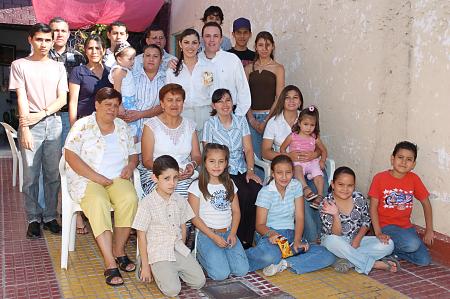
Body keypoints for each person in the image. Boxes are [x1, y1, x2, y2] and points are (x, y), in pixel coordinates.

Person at [64, 87, 138, 286]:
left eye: (115, 105)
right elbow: (70, 155)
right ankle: (109, 262)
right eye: (108, 105)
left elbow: (133, 154)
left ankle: (119, 250)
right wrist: (96, 177)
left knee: (130, 199)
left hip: (117, 178)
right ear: (97, 105)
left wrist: (131, 166)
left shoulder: (122, 126)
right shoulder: (83, 125)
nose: (112, 109)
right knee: (98, 202)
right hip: (88, 179)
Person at [9, 23, 68, 239]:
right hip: (30, 124)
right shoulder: (19, 65)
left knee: (53, 174)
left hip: (53, 122)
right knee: (31, 176)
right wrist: (24, 127)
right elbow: (21, 97)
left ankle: (51, 216)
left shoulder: (58, 67)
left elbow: (62, 98)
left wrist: (41, 114)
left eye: (47, 40)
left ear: (52, 41)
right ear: (30, 40)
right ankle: (33, 218)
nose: (43, 44)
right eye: (39, 39)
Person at [245, 155, 335, 276]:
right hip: (270, 235)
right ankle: (247, 257)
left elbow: (299, 217)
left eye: (288, 172)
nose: (284, 177)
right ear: (273, 174)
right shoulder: (266, 192)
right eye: (279, 173)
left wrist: (297, 240)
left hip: (291, 236)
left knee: (327, 255)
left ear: (293, 173)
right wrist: (272, 234)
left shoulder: (296, 186)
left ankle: (285, 263)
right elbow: (259, 225)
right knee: (270, 256)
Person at [133, 155, 205, 297]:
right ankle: (150, 265)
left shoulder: (179, 200)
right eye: (166, 178)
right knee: (172, 290)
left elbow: (183, 226)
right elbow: (141, 236)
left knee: (199, 282)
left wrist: (182, 248)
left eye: (175, 178)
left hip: (177, 248)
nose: (172, 183)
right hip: (158, 252)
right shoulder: (147, 203)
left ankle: (171, 270)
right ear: (155, 178)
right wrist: (146, 267)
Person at [261, 85, 324, 242]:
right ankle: (311, 236)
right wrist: (287, 156)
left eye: (295, 97)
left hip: (309, 164)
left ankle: (325, 233)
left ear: (301, 101)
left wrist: (314, 154)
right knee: (300, 191)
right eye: (287, 97)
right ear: (282, 100)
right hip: (288, 169)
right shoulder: (274, 122)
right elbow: (265, 152)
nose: (291, 100)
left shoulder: (306, 119)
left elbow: (318, 146)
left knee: (322, 180)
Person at [203, 89, 262, 249]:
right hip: (221, 171)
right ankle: (237, 236)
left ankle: (248, 238)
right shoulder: (210, 124)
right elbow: (207, 153)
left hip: (241, 168)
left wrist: (250, 170)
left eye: (228, 100)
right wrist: (219, 171)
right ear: (214, 105)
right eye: (220, 101)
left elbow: (249, 149)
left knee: (256, 190)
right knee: (240, 193)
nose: (225, 104)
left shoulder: (241, 121)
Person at [188, 143, 249, 280]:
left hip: (227, 232)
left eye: (221, 161)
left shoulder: (230, 184)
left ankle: (222, 256)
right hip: (207, 234)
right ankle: (199, 255)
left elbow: (236, 212)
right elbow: (194, 217)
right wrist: (214, 237)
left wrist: (233, 233)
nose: (216, 166)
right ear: (204, 162)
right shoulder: (196, 186)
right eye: (212, 161)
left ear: (226, 163)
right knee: (220, 274)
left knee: (241, 270)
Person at [368, 141, 434, 266]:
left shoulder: (414, 179)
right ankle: (381, 244)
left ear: (413, 164)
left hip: (405, 227)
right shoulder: (380, 178)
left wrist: (429, 229)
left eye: (409, 159)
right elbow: (373, 207)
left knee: (424, 260)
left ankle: (389, 252)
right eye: (400, 157)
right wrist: (378, 232)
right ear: (392, 159)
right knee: (412, 244)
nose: (404, 162)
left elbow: (426, 203)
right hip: (385, 226)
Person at [320, 166, 396, 274]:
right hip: (336, 243)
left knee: (389, 244)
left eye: (349, 185)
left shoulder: (358, 198)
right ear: (333, 184)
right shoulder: (326, 203)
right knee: (331, 241)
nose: (345, 189)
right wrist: (336, 214)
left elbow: (366, 220)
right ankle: (373, 264)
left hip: (355, 240)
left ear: (354, 186)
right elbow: (335, 234)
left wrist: (357, 239)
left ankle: (347, 261)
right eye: (340, 185)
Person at [139, 83, 201, 198]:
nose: (174, 104)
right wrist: (171, 172)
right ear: (162, 103)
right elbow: (147, 161)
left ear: (183, 103)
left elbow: (197, 156)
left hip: (184, 175)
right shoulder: (151, 125)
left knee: (199, 193)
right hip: (157, 174)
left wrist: (192, 165)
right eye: (169, 100)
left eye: (178, 100)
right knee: (175, 195)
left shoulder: (190, 125)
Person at [166, 28, 216, 135]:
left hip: (205, 117)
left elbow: (211, 91)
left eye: (194, 43)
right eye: (186, 42)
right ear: (180, 44)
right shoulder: (172, 70)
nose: (190, 47)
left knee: (205, 151)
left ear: (199, 45)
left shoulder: (207, 68)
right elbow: (168, 98)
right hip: (182, 117)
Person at [245, 31, 285, 160]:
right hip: (250, 117)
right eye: (261, 45)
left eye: (268, 45)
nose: (264, 48)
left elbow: (279, 97)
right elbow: (244, 95)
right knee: (253, 156)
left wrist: (266, 120)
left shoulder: (278, 68)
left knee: (268, 157)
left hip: (271, 116)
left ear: (273, 46)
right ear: (255, 47)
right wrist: (251, 119)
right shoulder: (248, 68)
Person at [199, 22, 251, 117]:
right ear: (202, 39)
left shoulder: (232, 60)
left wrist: (237, 117)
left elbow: (243, 91)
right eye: (207, 36)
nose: (211, 40)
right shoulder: (197, 61)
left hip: (231, 115)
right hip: (205, 117)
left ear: (221, 39)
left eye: (215, 36)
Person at [280, 105, 327, 209]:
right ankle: (306, 189)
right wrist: (288, 156)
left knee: (319, 175)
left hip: (312, 161)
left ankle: (320, 195)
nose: (308, 128)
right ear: (299, 123)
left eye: (312, 125)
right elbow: (282, 149)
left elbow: (323, 150)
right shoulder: (293, 136)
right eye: (305, 124)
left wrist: (322, 161)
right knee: (297, 169)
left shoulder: (314, 138)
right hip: (298, 162)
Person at [48, 16, 85, 143]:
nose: (59, 34)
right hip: (47, 114)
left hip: (69, 114)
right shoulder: (42, 56)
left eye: (63, 31)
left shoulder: (78, 57)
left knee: (67, 154)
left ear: (69, 34)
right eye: (56, 30)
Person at [68, 35, 112, 125]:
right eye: (90, 48)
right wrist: (73, 126)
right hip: (84, 122)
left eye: (97, 48)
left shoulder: (111, 72)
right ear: (85, 51)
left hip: (106, 122)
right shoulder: (78, 71)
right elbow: (73, 101)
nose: (94, 52)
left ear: (103, 51)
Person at [131, 44, 166, 139]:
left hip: (156, 130)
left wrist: (141, 114)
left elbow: (165, 106)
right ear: (142, 58)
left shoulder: (166, 79)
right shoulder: (132, 77)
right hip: (132, 129)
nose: (151, 59)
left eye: (155, 56)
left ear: (161, 60)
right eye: (148, 56)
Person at [108, 41, 138, 139]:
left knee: (132, 135)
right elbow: (116, 90)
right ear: (119, 59)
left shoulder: (125, 70)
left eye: (134, 58)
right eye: (130, 59)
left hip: (130, 104)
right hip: (125, 104)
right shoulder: (119, 71)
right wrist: (120, 106)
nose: (133, 61)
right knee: (127, 135)